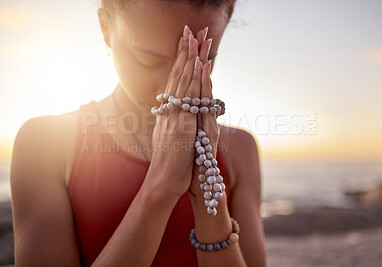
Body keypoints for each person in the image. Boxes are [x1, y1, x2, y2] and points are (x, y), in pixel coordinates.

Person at [10, 0, 266, 266]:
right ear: (106, 28)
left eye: (202, 58)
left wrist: (207, 198)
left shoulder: (239, 149)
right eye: (150, 60)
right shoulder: (45, 145)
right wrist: (160, 187)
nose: (171, 88)